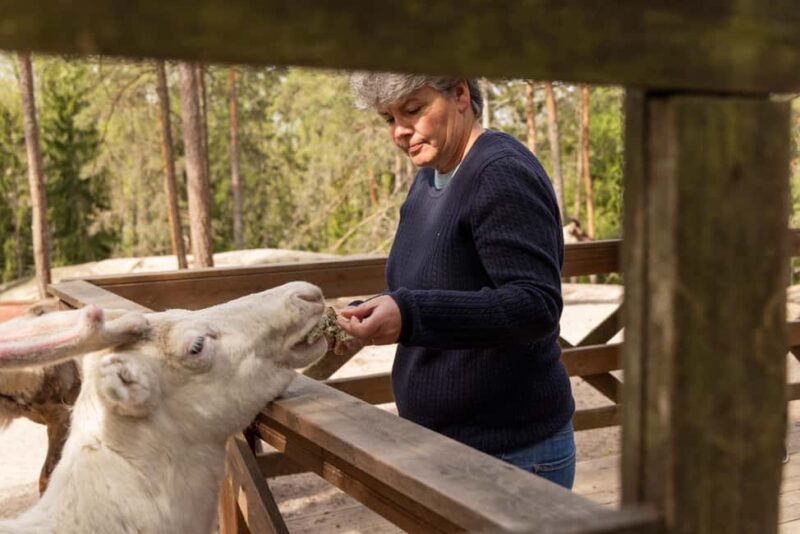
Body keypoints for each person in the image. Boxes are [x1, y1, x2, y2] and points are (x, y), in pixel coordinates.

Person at [337, 73, 575, 489]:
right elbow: (433, 287)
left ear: (461, 94)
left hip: (510, 457)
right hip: (442, 448)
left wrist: (410, 315)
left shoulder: (500, 173)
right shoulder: (430, 174)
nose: (399, 131)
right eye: (388, 119)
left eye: (413, 110)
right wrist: (374, 311)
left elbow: (535, 306)